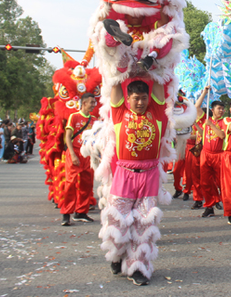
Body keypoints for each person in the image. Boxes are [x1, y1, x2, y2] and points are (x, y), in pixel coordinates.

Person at [99, 79, 168, 286]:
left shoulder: (157, 114)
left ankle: (138, 267)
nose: (140, 102)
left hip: (149, 176)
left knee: (144, 225)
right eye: (135, 98)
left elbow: (159, 78)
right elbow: (114, 80)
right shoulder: (120, 114)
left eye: (143, 98)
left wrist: (152, 56)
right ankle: (117, 255)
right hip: (124, 174)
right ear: (127, 99)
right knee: (118, 222)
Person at [60, 93, 98, 226]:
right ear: (84, 103)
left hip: (88, 155)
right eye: (91, 102)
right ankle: (66, 213)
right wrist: (72, 154)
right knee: (70, 183)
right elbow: (68, 137)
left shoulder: (94, 120)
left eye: (94, 102)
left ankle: (81, 212)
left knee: (87, 184)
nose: (94, 104)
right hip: (74, 153)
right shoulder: (74, 116)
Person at [195, 87, 226, 218]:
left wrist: (212, 125)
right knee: (205, 182)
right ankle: (209, 206)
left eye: (222, 109)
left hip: (219, 155)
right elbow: (196, 107)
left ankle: (227, 205)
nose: (221, 111)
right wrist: (204, 93)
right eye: (218, 108)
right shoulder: (205, 119)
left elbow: (222, 136)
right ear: (212, 110)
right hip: (205, 154)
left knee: (222, 182)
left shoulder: (224, 122)